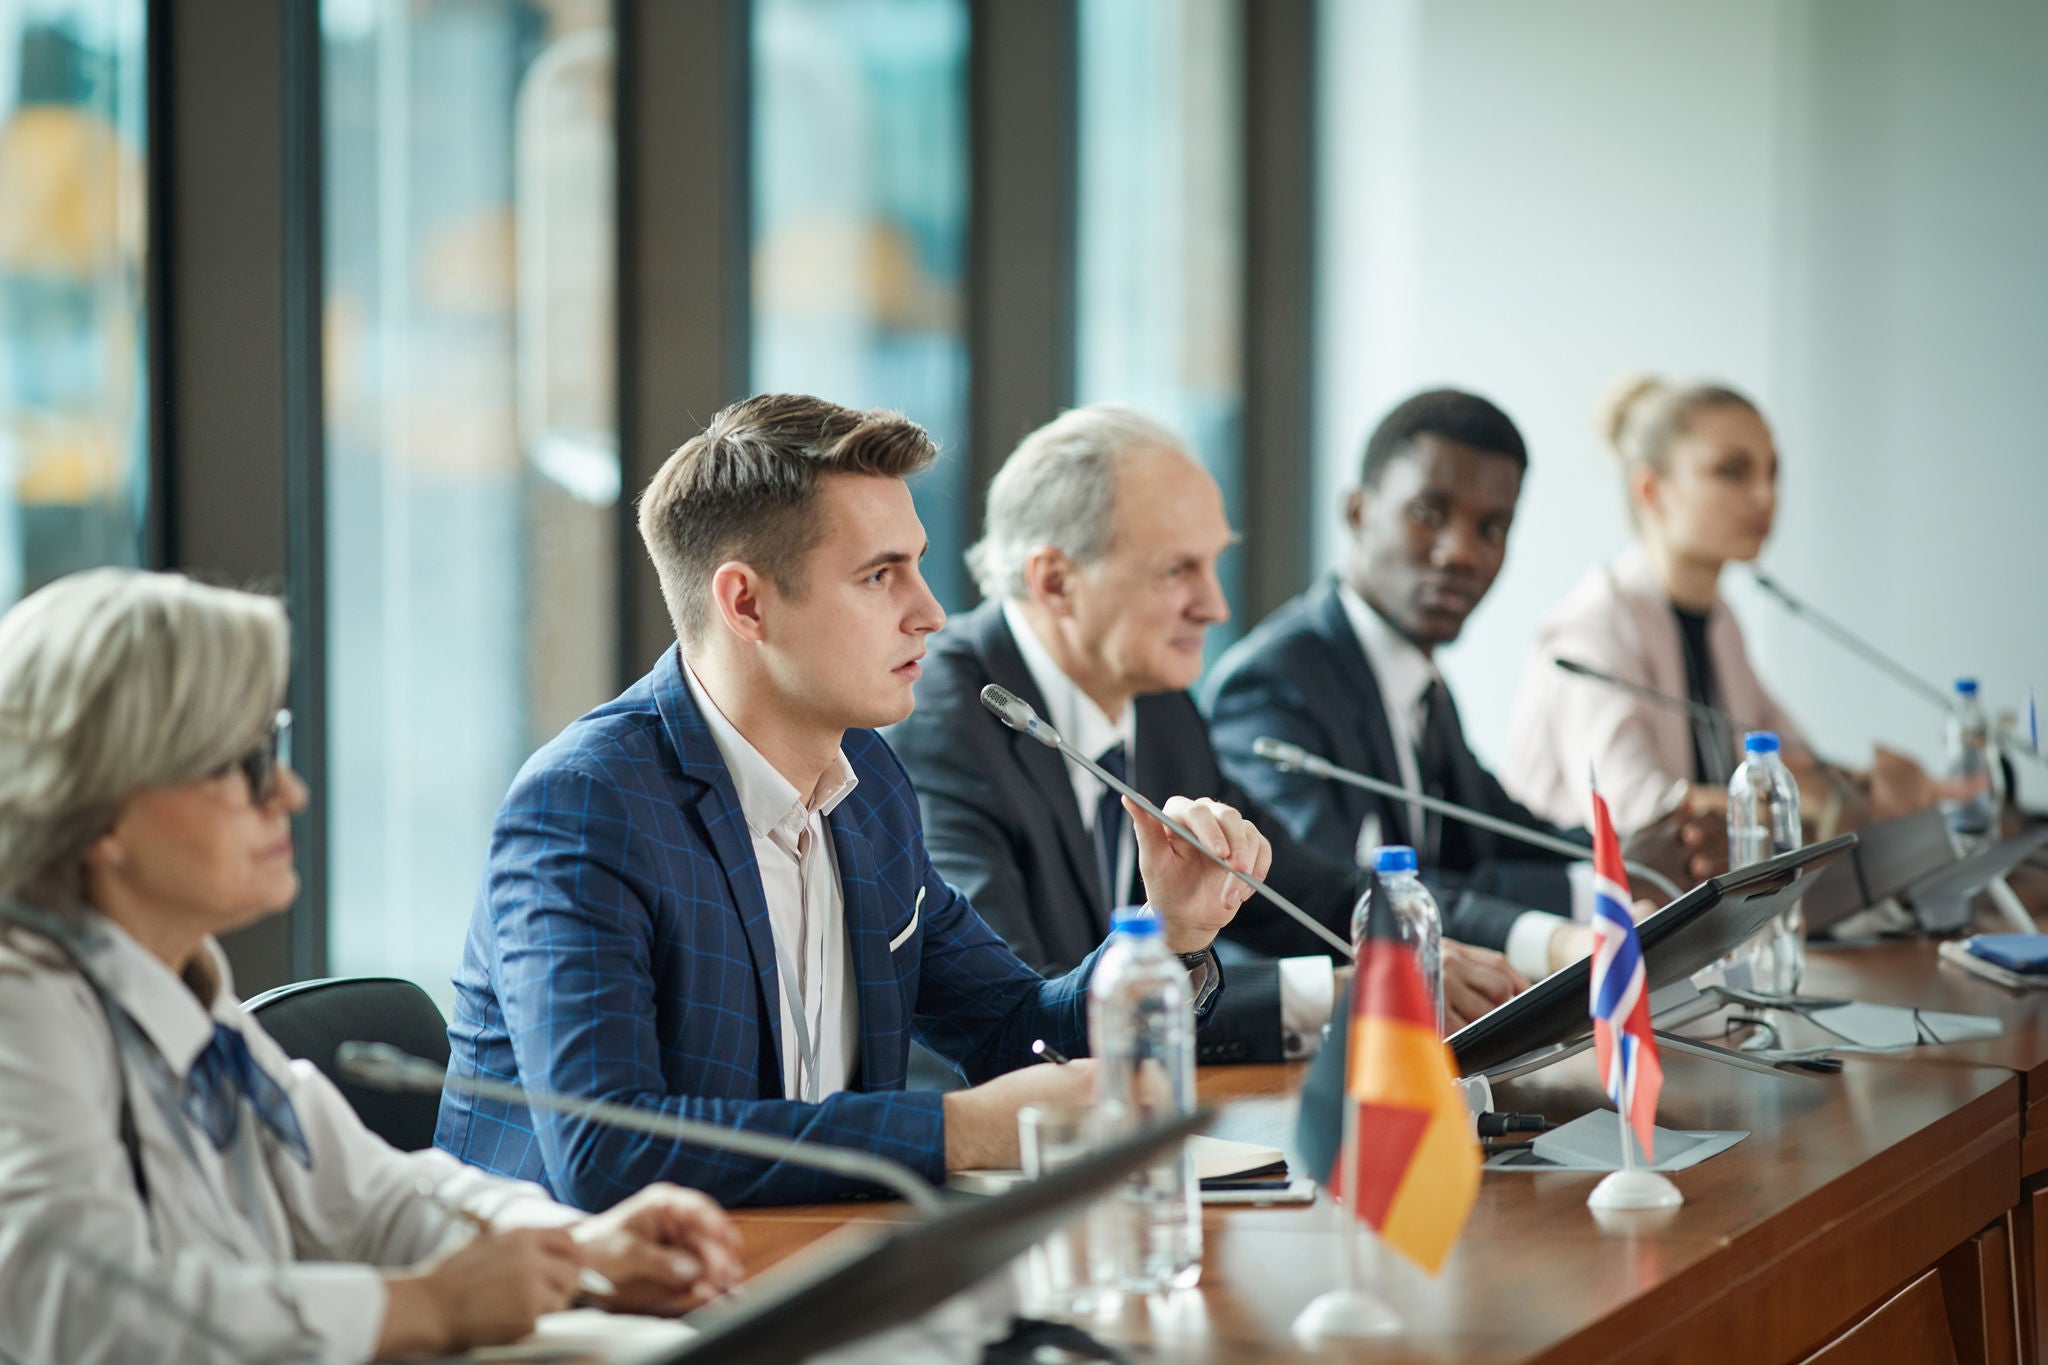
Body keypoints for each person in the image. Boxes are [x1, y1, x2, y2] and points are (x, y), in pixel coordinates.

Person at [436, 394, 1268, 1210]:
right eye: (880, 575)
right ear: (746, 603)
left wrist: (1170, 933)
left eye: (917, 564)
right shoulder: (586, 806)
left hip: (813, 1271)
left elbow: (1011, 1028)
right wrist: (953, 1131)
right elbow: (606, 1152)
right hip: (590, 1315)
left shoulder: (866, 783)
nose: (931, 613)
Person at [0, 569, 742, 1365]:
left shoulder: (180, 984)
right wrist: (427, 1306)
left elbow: (372, 1200)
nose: (287, 790)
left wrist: (580, 1248)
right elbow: (79, 1310)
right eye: (241, 765)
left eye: (272, 748)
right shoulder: (25, 1007)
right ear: (101, 809)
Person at [891, 404, 1528, 1058]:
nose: (1216, 606)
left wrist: (1427, 951)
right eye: (1177, 571)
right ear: (1054, 580)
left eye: (1213, 564)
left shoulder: (1161, 705)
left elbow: (1305, 892)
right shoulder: (943, 717)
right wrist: (1347, 990)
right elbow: (1029, 1011)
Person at [1206, 390, 1716, 982]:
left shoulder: (1421, 684)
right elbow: (1340, 898)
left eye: (1492, 528)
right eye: (1429, 514)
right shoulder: (1274, 685)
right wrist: (1599, 886)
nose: (1461, 553)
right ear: (1357, 512)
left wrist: (1625, 856)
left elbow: (1496, 833)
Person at [1502, 376, 1950, 835]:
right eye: (1732, 472)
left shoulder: (1720, 620)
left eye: (1772, 473)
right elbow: (1633, 809)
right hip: (1583, 899)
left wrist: (1908, 792)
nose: (1765, 496)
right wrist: (1809, 807)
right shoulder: (1594, 622)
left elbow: (1788, 758)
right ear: (1651, 491)